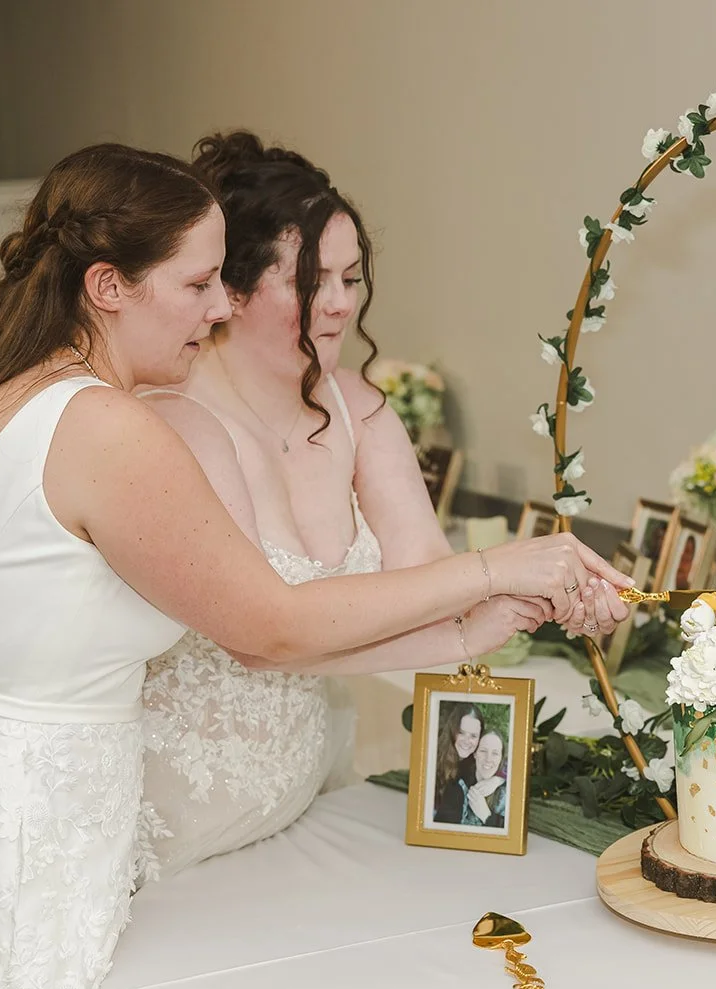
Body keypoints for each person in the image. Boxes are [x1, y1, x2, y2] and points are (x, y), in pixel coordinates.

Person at [0, 142, 629, 989]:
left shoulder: (7, 390)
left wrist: (464, 628)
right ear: (109, 286)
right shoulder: (106, 427)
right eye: (200, 281)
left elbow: (257, 642)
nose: (220, 307)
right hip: (0, 838)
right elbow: (270, 623)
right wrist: (496, 569)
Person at [137, 131, 626, 877]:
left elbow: (428, 582)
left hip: (304, 797)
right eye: (311, 281)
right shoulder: (176, 418)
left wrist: (556, 595)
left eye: (352, 278)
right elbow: (260, 635)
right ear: (231, 291)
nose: (338, 304)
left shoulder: (358, 408)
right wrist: (498, 573)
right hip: (183, 813)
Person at [430, 703, 483, 825]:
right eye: (461, 732)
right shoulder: (433, 759)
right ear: (452, 730)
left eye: (473, 736)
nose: (467, 741)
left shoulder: (474, 766)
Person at [460, 728, 508, 829]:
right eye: (483, 751)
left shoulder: (508, 795)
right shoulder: (459, 784)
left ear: (501, 758)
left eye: (495, 753)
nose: (488, 759)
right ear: (475, 753)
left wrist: (486, 816)